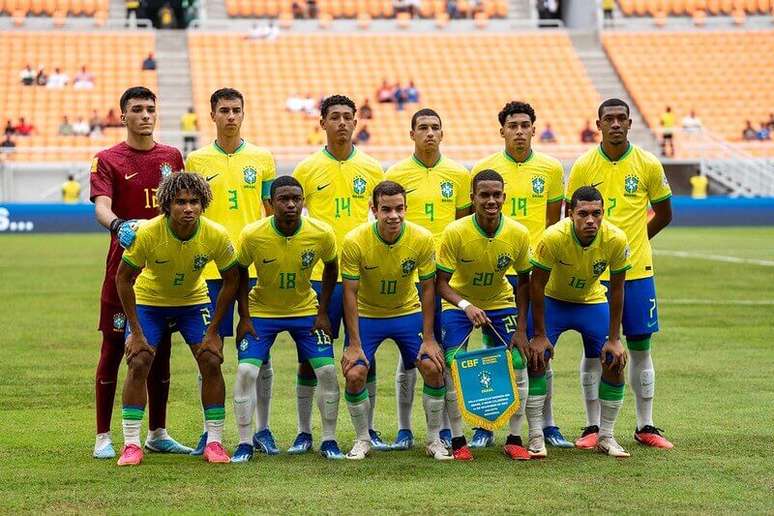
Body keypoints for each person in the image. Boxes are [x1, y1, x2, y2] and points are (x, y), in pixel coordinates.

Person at [567, 98, 674, 450]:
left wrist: (635, 244)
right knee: (595, 349)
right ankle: (592, 427)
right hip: (595, 274)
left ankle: (647, 426)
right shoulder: (584, 166)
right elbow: (571, 217)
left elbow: (663, 213)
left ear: (630, 124)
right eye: (608, 119)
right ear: (598, 124)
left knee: (640, 348)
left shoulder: (647, 163)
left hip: (638, 271)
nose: (615, 124)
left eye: (621, 119)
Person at [89, 86, 187, 460]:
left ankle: (158, 432)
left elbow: (183, 203)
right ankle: (103, 436)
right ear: (123, 116)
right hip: (125, 267)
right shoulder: (107, 159)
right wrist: (118, 226)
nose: (146, 115)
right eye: (137, 109)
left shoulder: (172, 156)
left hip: (164, 268)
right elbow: (101, 207)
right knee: (114, 347)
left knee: (158, 350)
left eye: (150, 109)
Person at [115, 172, 239, 466]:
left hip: (192, 302)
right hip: (149, 302)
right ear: (167, 205)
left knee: (210, 359)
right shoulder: (148, 234)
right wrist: (135, 331)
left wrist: (213, 331)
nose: (188, 208)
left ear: (203, 204)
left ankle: (215, 443)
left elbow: (232, 279)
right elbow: (123, 279)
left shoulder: (215, 234)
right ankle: (131, 445)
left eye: (194, 201)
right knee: (139, 360)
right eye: (181, 202)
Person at [185, 88, 277, 456]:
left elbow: (270, 212)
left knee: (259, 349)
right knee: (210, 349)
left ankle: (263, 429)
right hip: (210, 268)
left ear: (244, 113)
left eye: (236, 110)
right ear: (212, 115)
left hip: (255, 266)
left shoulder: (263, 158)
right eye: (224, 110)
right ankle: (213, 432)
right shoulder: (196, 159)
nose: (231, 116)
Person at [471, 101, 567, 449]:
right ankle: (486, 424)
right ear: (502, 131)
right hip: (498, 271)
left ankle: (548, 424)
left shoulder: (552, 168)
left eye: (525, 124)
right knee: (496, 350)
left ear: (534, 128)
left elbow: (554, 224)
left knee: (540, 347)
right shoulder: (485, 168)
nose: (519, 131)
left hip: (537, 273)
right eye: (512, 125)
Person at [292, 94, 385, 453]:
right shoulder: (306, 169)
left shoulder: (374, 169)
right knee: (312, 355)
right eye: (335, 117)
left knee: (365, 354)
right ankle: (304, 431)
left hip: (362, 275)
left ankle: (369, 427)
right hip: (320, 276)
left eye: (349, 116)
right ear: (323, 123)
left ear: (356, 122)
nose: (343, 123)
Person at [232, 176, 344, 462]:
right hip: (261, 312)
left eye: (297, 198)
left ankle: (327, 439)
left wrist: (323, 312)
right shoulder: (252, 234)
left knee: (328, 373)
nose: (291, 204)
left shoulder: (321, 232)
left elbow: (332, 267)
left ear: (303, 201)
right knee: (246, 372)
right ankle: (246, 442)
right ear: (270, 203)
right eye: (284, 199)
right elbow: (239, 273)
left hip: (305, 310)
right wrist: (244, 317)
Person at [340, 180, 450, 460]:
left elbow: (428, 288)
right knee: (354, 374)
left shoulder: (422, 238)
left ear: (406, 208)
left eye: (399, 208)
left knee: (434, 368)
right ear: (374, 210)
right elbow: (349, 294)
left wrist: (429, 337)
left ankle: (434, 440)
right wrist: (353, 343)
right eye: (386, 209)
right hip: (368, 315)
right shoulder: (354, 241)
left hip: (407, 313)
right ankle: (363, 439)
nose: (394, 216)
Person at [384, 108, 471, 450]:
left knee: (447, 354)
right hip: (408, 275)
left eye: (436, 127)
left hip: (447, 276)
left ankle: (450, 427)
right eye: (423, 128)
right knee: (410, 357)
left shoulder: (459, 175)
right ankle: (405, 428)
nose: (430, 133)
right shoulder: (396, 173)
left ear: (443, 133)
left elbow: (464, 225)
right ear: (411, 134)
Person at [436, 169, 534, 461]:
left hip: (500, 301)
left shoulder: (517, 233)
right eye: (484, 195)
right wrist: (466, 305)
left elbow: (525, 282)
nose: (491, 200)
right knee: (452, 364)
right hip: (458, 304)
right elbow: (440, 283)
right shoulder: (456, 232)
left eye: (496, 195)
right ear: (472, 199)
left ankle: (515, 438)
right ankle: (458, 441)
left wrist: (521, 329)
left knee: (517, 360)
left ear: (504, 197)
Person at [529, 186, 631, 457]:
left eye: (596, 214)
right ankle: (536, 435)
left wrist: (615, 339)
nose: (590, 220)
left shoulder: (616, 239)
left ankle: (606, 436)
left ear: (603, 214)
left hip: (591, 301)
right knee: (536, 358)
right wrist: (539, 334)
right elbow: (536, 285)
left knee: (614, 361)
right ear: (570, 213)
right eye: (583, 214)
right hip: (553, 301)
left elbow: (619, 289)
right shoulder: (553, 238)